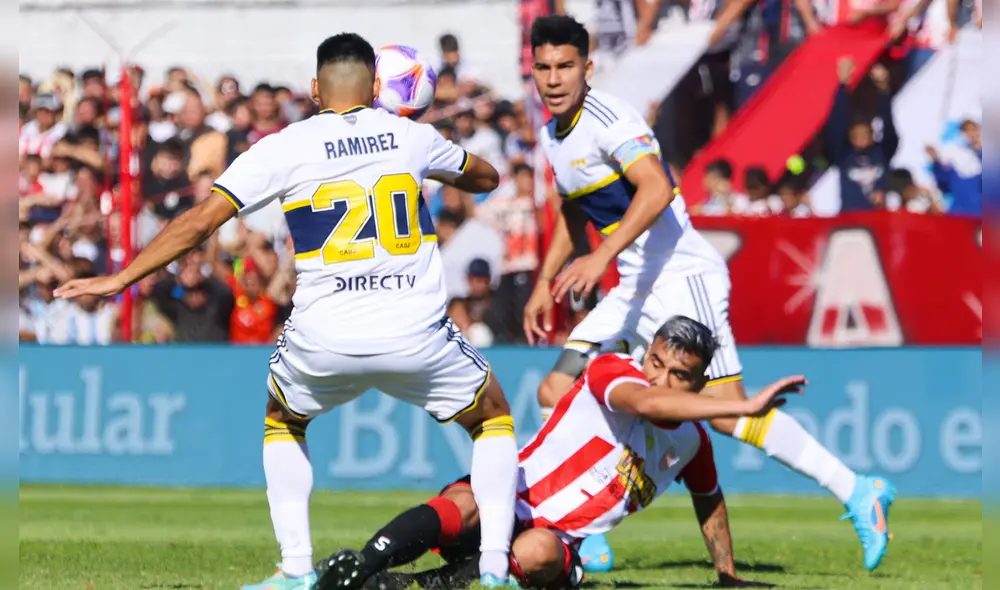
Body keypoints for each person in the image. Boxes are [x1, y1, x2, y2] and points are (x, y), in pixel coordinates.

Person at [54, 32, 520, 590]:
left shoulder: (281, 146)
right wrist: (426, 151)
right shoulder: (412, 136)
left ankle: (296, 570)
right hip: (414, 331)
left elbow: (200, 222)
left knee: (284, 421)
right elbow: (487, 178)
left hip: (324, 336)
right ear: (377, 86)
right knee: (491, 416)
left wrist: (122, 277)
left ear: (314, 89)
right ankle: (494, 568)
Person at [521, 14, 895, 574]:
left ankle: (857, 489)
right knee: (556, 389)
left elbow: (657, 187)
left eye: (565, 66)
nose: (554, 79)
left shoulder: (610, 119)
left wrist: (599, 257)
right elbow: (574, 210)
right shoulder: (552, 136)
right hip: (634, 286)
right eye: (544, 68)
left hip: (678, 275)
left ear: (587, 68)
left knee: (722, 413)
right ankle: (586, 524)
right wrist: (546, 281)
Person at [315, 316, 803, 590]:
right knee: (468, 503)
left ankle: (411, 588)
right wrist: (745, 405)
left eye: (680, 375)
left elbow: (709, 498)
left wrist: (728, 574)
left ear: (698, 383)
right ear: (646, 354)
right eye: (657, 362)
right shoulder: (614, 370)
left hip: (555, 545)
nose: (661, 378)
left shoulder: (692, 442)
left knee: (539, 550)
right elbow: (648, 400)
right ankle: (359, 566)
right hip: (510, 497)